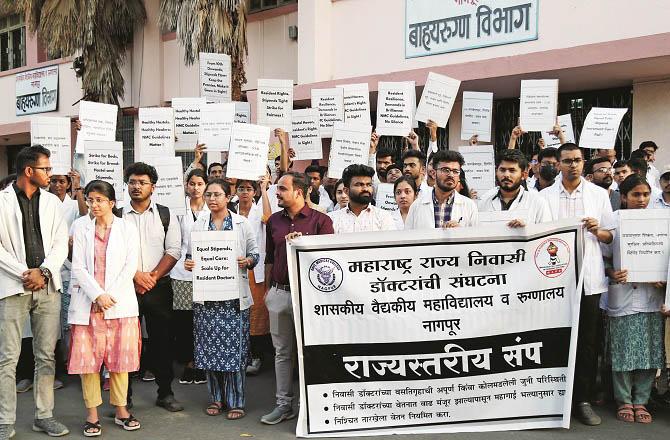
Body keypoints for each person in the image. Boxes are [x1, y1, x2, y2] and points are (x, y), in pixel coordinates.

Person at [539, 143, 615, 426]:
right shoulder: (544, 197)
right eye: (567, 161)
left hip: (589, 280)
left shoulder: (598, 195)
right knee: (555, 338)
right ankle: (553, 398)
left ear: (584, 163)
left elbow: (610, 237)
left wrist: (598, 230)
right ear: (557, 164)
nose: (573, 165)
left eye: (578, 160)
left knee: (587, 342)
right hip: (555, 281)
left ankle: (580, 399)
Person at [0, 145, 69, 439]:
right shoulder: (1, 201)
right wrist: (23, 273)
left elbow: (60, 243)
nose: (50, 175)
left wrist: (44, 272)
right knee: (8, 357)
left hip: (47, 286)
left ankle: (44, 415)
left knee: (46, 355)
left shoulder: (53, 203)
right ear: (30, 171)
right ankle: (5, 420)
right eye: (46, 169)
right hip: (13, 286)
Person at [69, 180, 142, 436]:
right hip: (88, 304)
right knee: (88, 363)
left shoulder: (127, 228)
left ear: (112, 203)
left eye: (100, 200)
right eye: (90, 199)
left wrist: (109, 295)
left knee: (120, 361)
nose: (94, 204)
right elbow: (77, 266)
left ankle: (122, 410)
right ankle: (92, 414)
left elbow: (130, 265)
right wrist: (97, 294)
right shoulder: (80, 226)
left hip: (119, 302)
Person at [261, 172, 334, 425]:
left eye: (282, 189)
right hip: (279, 294)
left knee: (308, 352)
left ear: (299, 192)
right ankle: (284, 405)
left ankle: (310, 407)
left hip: (309, 297)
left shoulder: (321, 221)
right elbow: (269, 257)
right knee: (282, 353)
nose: (277, 193)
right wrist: (269, 291)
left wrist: (304, 243)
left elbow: (329, 261)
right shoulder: (273, 222)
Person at [184, 179, 259, 420]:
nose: (212, 199)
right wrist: (189, 264)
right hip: (207, 299)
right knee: (210, 351)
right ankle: (215, 398)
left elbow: (255, 254)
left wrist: (247, 262)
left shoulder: (242, 224)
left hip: (233, 300)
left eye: (217, 194)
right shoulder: (198, 225)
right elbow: (190, 256)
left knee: (234, 352)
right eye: (208, 195)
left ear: (228, 197)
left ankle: (236, 401)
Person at [602, 174, 665, 424]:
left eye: (646, 194)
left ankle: (642, 400)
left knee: (649, 353)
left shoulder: (662, 220)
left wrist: (664, 278)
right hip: (624, 295)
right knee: (623, 352)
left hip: (652, 296)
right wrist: (611, 273)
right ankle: (624, 400)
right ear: (624, 197)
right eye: (635, 195)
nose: (641, 200)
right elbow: (603, 257)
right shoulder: (614, 220)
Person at [122, 162, 183, 412]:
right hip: (125, 287)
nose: (136, 187)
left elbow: (174, 250)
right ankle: (122, 397)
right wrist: (136, 275)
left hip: (158, 288)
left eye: (142, 182)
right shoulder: (116, 215)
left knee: (162, 342)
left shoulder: (166, 214)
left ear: (153, 187)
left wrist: (152, 277)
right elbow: (112, 253)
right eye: (132, 182)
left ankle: (165, 393)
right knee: (125, 343)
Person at [171, 169, 208, 385]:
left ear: (205, 186)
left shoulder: (211, 208)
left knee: (202, 319)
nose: (195, 188)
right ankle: (188, 363)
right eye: (192, 183)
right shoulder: (178, 207)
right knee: (184, 321)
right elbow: (175, 240)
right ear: (186, 185)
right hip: (181, 271)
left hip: (207, 272)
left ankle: (201, 362)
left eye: (200, 184)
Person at [236, 177, 272, 375]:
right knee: (239, 313)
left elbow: (269, 217)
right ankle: (242, 354)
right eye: (241, 188)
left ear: (254, 192)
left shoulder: (259, 210)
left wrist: (264, 188)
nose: (244, 192)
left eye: (249, 189)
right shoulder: (231, 211)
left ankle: (256, 356)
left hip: (255, 270)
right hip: (235, 268)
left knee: (257, 313)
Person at [405, 150, 478, 229]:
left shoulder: (469, 206)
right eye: (445, 170)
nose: (451, 175)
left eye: (455, 171)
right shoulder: (416, 206)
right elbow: (408, 238)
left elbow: (475, 238)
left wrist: (460, 232)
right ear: (434, 173)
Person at [478, 150, 551, 226]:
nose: (506, 175)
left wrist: (527, 230)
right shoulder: (484, 201)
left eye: (512, 171)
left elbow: (546, 234)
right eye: (502, 170)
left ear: (523, 175)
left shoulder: (537, 202)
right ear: (496, 172)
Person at [328, 165, 396, 233]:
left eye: (369, 184)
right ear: (346, 190)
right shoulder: (332, 219)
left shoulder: (383, 217)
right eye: (359, 185)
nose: (366, 189)